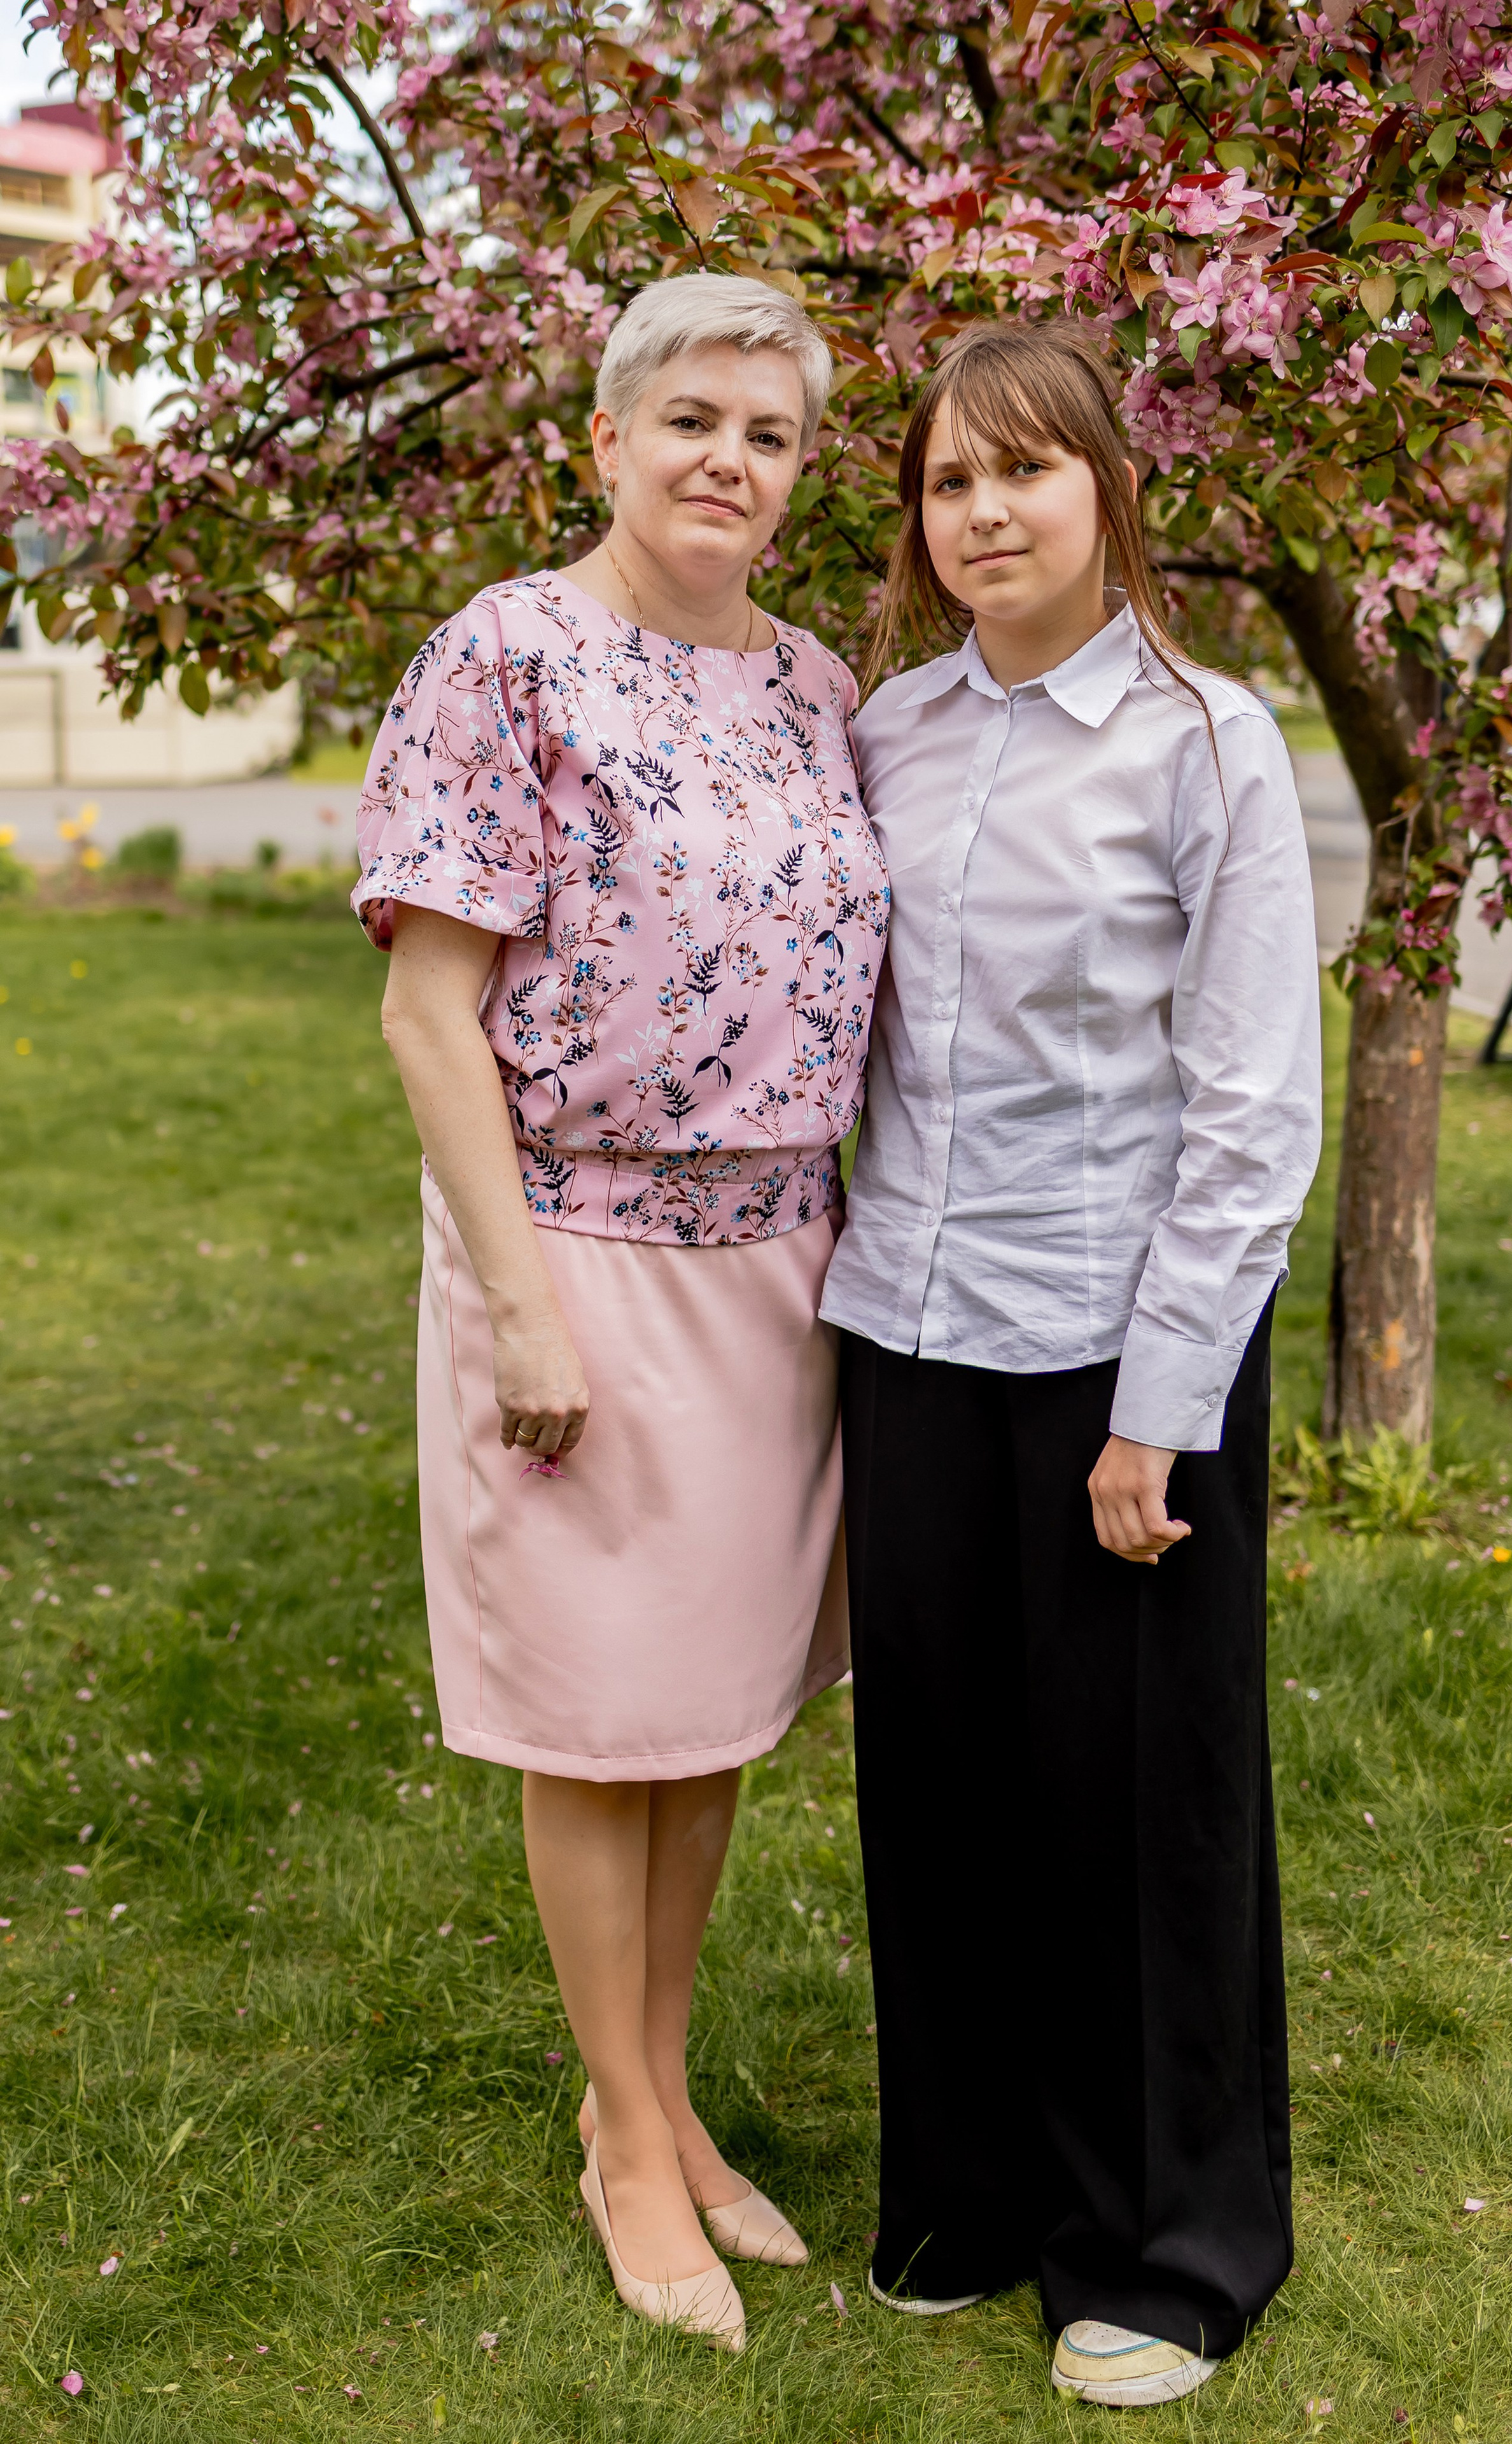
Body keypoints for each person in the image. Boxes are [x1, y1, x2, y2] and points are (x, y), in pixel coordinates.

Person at [354, 272, 889, 2354]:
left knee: (708, 1715)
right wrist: (523, 1311)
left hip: (782, 1267)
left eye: (767, 436)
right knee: (596, 1720)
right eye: (690, 420)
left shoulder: (813, 685)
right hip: (573, 1246)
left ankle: (649, 2102)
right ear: (604, 439)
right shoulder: (507, 656)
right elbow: (427, 1016)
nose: (726, 463)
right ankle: (635, 2144)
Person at [820, 320, 1321, 2406]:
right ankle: (966, 2188)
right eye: (948, 483)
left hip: (1124, 1346)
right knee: (938, 1783)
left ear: (1110, 490)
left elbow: (1250, 1109)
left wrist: (1161, 1408)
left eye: (1024, 473)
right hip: (910, 1337)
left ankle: (1169, 2245)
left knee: (1141, 1802)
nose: (985, 514)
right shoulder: (888, 732)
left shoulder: (1212, 745)